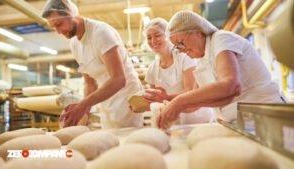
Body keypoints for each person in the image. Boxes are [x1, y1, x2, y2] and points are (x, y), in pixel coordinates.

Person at [157, 11, 284, 129]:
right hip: (241, 124)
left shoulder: (221, 39)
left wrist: (179, 102)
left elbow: (230, 86)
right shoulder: (200, 60)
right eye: (176, 47)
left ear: (198, 32)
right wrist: (166, 98)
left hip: (267, 119)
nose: (180, 50)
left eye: (180, 43)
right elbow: (195, 103)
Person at [41, 0, 143, 128]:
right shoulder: (74, 43)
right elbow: (90, 83)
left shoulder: (101, 33)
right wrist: (85, 112)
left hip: (125, 96)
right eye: (54, 27)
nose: (58, 31)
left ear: (71, 14)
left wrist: (83, 105)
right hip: (105, 96)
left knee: (127, 140)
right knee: (110, 138)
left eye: (59, 24)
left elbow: (119, 79)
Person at [142, 18, 213, 124]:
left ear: (168, 36)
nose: (153, 41)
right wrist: (139, 106)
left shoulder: (185, 56)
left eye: (157, 35)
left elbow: (191, 92)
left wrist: (166, 98)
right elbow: (155, 101)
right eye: (149, 37)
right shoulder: (152, 69)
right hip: (173, 121)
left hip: (196, 118)